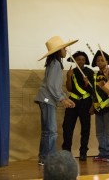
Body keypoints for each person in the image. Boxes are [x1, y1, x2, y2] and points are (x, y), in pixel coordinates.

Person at [34, 36, 77, 166]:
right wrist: (62, 99)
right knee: (51, 131)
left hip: (46, 99)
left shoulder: (54, 63)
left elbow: (55, 86)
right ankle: (48, 159)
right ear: (58, 51)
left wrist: (65, 97)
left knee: (47, 130)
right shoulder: (56, 64)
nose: (66, 50)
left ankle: (44, 158)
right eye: (64, 48)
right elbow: (52, 86)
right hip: (47, 99)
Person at [62, 51, 94, 161]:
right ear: (75, 61)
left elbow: (92, 90)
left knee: (85, 128)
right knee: (67, 127)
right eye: (78, 59)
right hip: (73, 101)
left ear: (85, 61)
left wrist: (86, 83)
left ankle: (83, 152)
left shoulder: (90, 72)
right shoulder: (72, 72)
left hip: (86, 102)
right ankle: (66, 152)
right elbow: (69, 89)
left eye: (83, 59)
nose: (80, 61)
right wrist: (69, 77)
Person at [91, 50, 109, 162]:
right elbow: (94, 92)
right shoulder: (95, 75)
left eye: (102, 60)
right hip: (98, 107)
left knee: (108, 131)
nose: (99, 62)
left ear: (107, 62)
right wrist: (93, 105)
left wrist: (108, 76)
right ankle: (103, 152)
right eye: (98, 60)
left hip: (108, 106)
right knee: (100, 131)